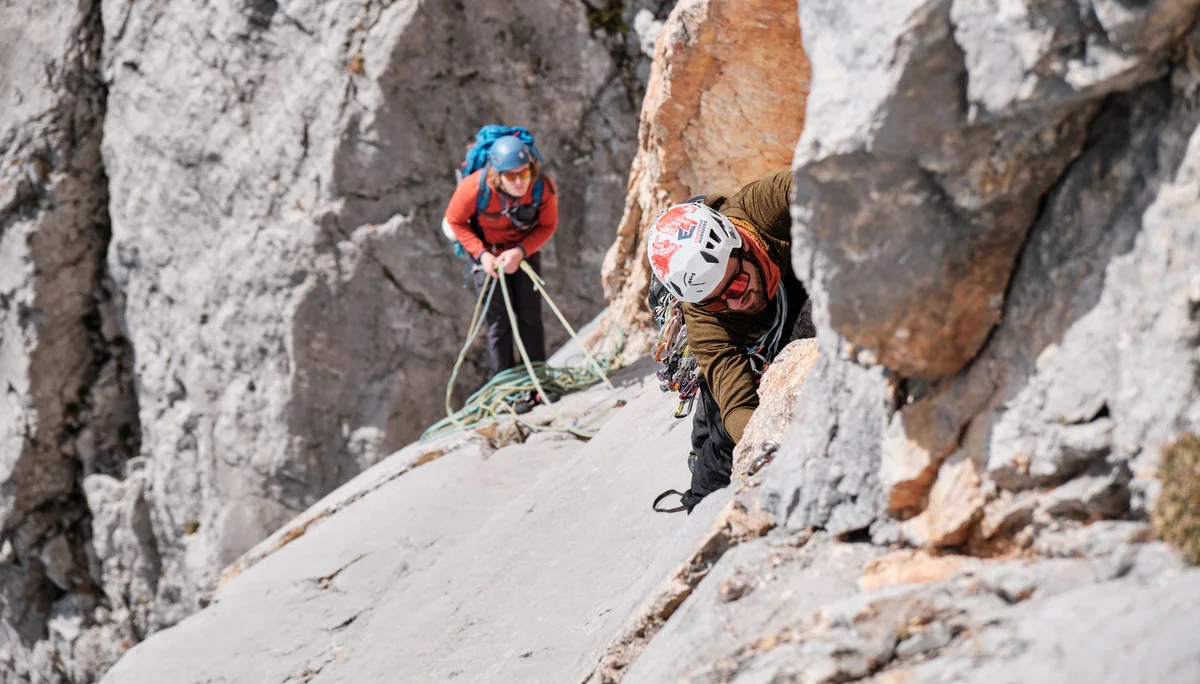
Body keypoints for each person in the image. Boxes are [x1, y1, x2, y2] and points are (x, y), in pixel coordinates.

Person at [647, 171, 810, 511]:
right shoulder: (705, 318)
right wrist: (769, 438)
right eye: (717, 300)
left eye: (735, 285)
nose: (735, 303)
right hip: (754, 345)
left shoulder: (763, 207)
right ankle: (700, 496)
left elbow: (831, 183)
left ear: (741, 244)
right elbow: (737, 407)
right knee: (721, 430)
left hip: (796, 285)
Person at [444, 135, 558, 412]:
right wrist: (481, 254)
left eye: (524, 173)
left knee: (530, 317)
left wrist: (520, 252)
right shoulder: (474, 189)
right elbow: (455, 221)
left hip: (522, 252)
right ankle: (509, 390)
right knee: (499, 324)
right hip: (487, 256)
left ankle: (538, 383)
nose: (519, 181)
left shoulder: (542, 187)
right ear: (496, 174)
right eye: (510, 176)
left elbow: (547, 226)